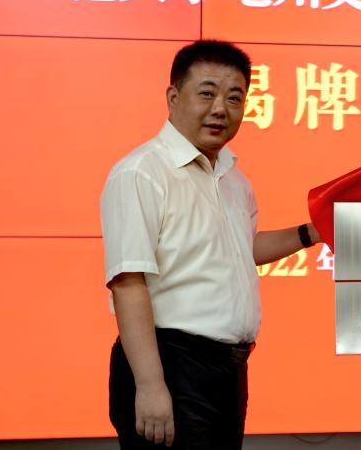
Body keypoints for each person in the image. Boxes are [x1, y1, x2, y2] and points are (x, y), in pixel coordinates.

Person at [101, 40, 320, 449]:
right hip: (170, 364)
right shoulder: (142, 172)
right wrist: (150, 385)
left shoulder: (234, 179)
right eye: (207, 93)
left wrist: (313, 232)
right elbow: (128, 283)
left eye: (234, 97)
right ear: (173, 97)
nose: (221, 108)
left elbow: (241, 250)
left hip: (228, 370)